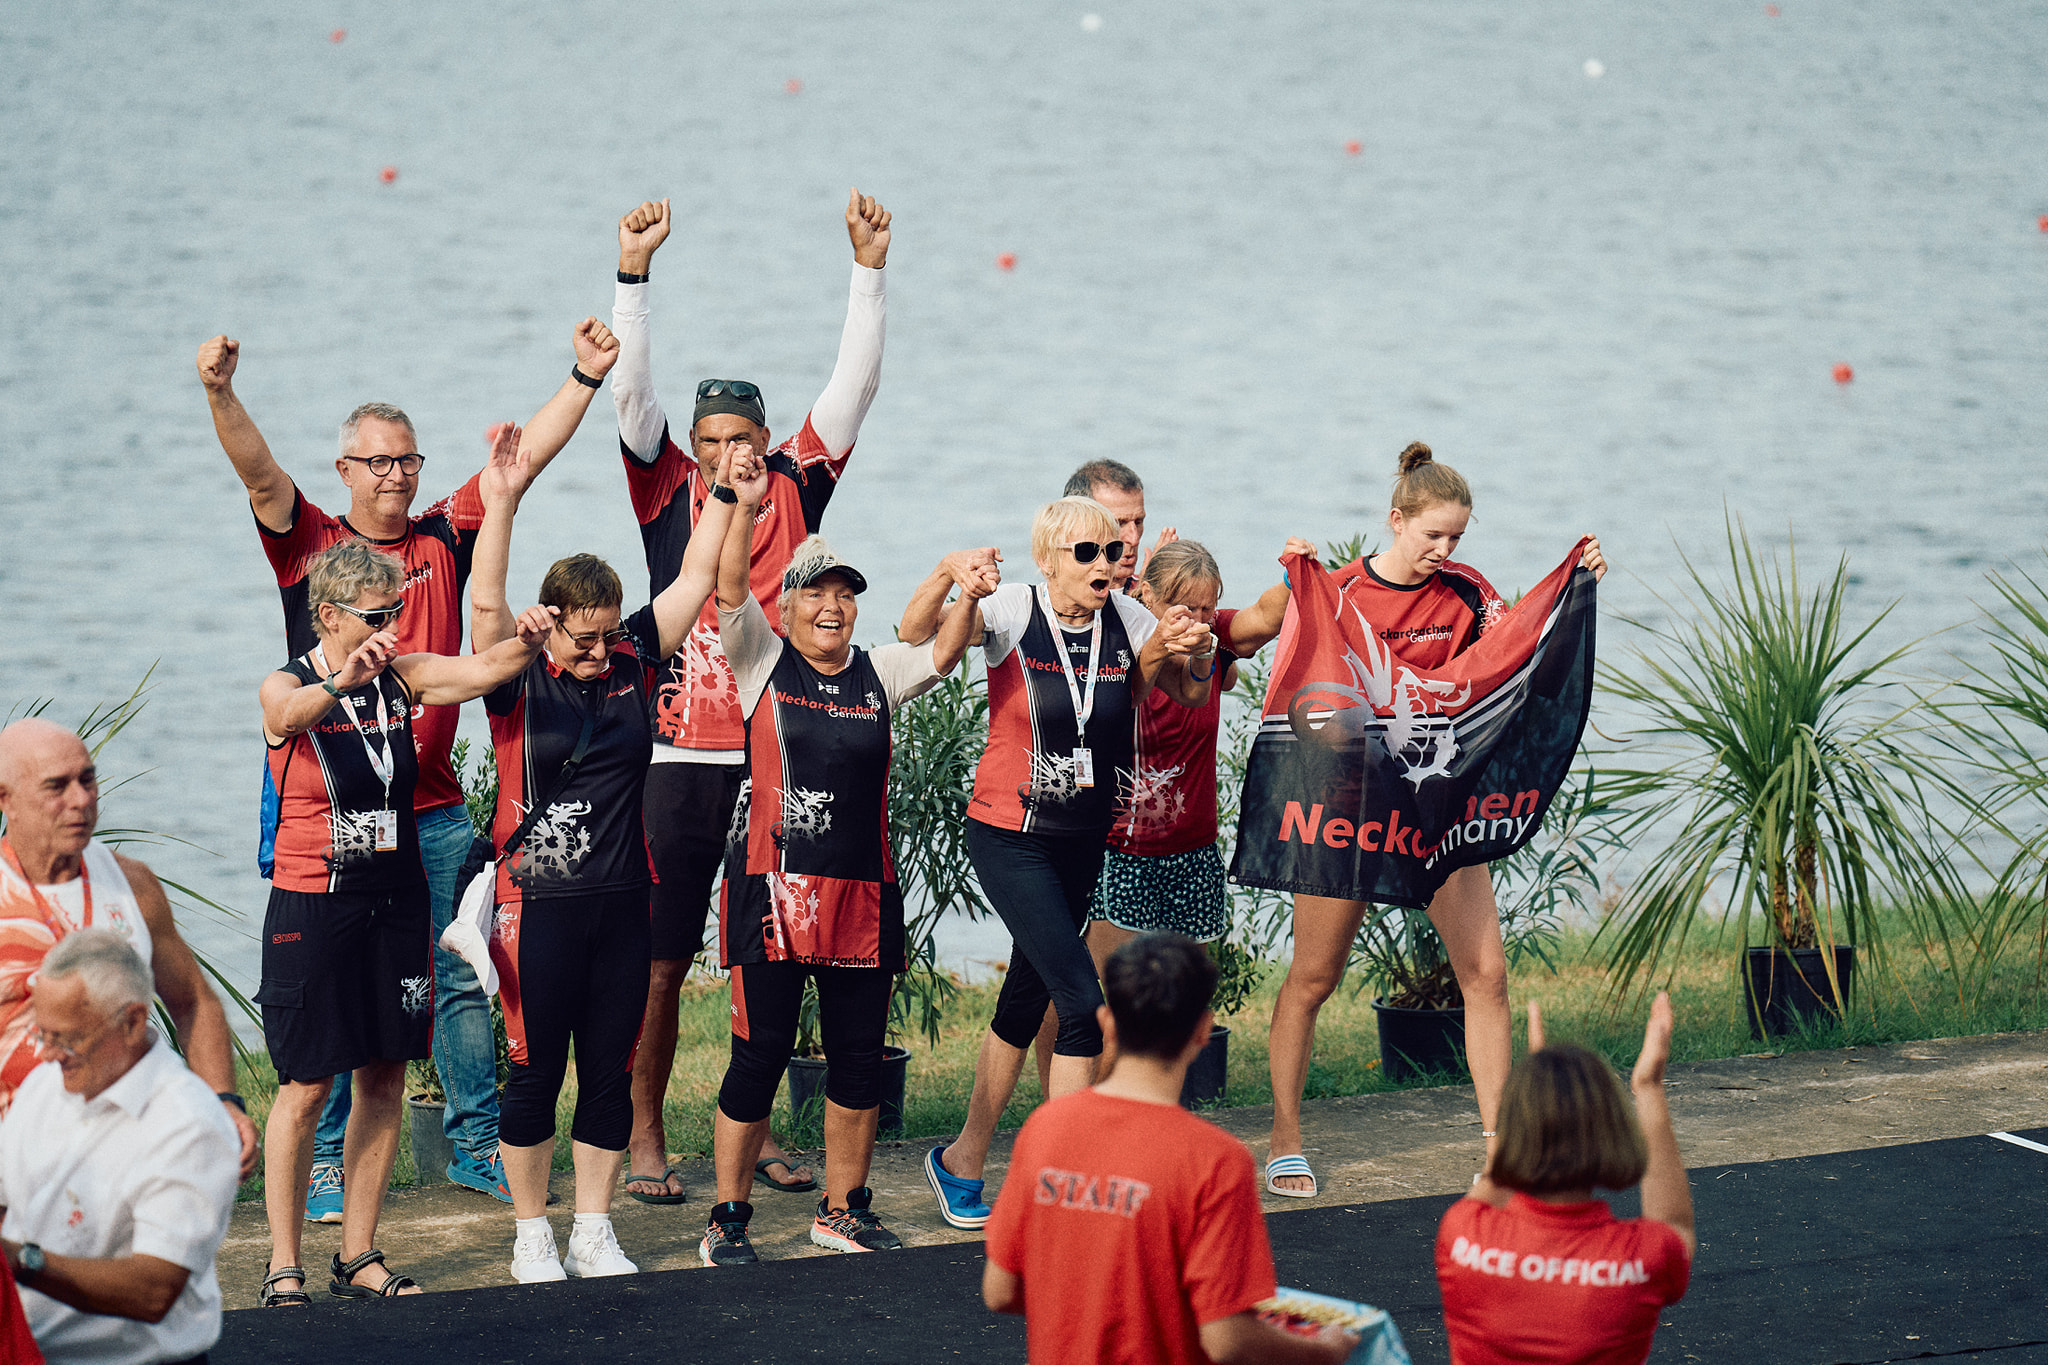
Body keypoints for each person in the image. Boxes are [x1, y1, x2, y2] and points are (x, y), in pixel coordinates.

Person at [197, 320, 620, 1216]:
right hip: (331, 811)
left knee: (462, 972)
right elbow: (259, 474)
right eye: (378, 462)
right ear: (348, 470)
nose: (396, 475)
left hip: (429, 806)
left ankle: (473, 1144)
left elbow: (518, 465)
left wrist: (586, 372)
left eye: (408, 460)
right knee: (336, 990)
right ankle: (321, 1162)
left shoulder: (439, 536)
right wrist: (221, 392)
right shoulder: (309, 540)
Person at [608, 191, 891, 1202]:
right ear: (697, 445)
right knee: (660, 960)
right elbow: (630, 403)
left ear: (767, 440)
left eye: (747, 437)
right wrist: (632, 278)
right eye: (715, 437)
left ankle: (754, 1131)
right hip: (680, 759)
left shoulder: (798, 485)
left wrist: (867, 270)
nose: (734, 451)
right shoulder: (663, 489)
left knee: (763, 962)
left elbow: (850, 391)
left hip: (776, 758)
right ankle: (645, 1137)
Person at [1264, 443, 1606, 1198]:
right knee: (1313, 976)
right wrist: (1297, 575)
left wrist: (1572, 590)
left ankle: (1500, 1144)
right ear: (1396, 520)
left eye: (1456, 537)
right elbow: (1297, 681)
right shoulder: (1342, 588)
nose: (1444, 551)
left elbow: (1520, 649)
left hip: (1436, 804)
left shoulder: (1466, 590)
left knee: (1485, 974)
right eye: (1432, 536)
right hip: (1350, 811)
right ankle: (1285, 1137)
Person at [468, 437, 753, 1284]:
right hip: (538, 906)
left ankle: (592, 1228)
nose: (596, 654)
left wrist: (729, 494)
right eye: (581, 641)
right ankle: (532, 1233)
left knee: (608, 1070)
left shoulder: (634, 653)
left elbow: (697, 578)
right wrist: (504, 498)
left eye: (603, 637)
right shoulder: (516, 670)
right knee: (533, 1071)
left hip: (625, 897)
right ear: (550, 622)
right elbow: (486, 597)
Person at [698, 465, 984, 1267]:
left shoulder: (880, 672)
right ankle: (727, 1216)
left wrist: (964, 585)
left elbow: (946, 650)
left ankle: (842, 1208)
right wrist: (747, 506)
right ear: (784, 608)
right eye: (816, 594)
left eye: (845, 594)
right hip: (772, 895)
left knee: (858, 1058)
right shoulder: (758, 658)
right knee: (758, 1056)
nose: (832, 607)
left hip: (863, 894)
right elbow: (726, 586)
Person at [257, 539, 553, 1304]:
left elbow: (483, 670)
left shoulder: (402, 676)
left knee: (385, 1072)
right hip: (314, 903)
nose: (391, 627)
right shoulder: (287, 681)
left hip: (395, 898)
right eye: (375, 615)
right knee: (306, 1084)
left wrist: (529, 634)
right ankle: (282, 1262)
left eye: (396, 612)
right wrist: (337, 680)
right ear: (327, 615)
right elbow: (285, 717)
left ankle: (358, 1255)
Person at [919, 496, 1212, 1231]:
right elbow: (923, 638)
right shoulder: (1014, 608)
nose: (1103, 566)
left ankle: (960, 1160)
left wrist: (1197, 645)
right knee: (1084, 1005)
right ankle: (1066, 1192)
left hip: (1082, 839)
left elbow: (1187, 688)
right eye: (1085, 553)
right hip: (1009, 834)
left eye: (1112, 552)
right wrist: (954, 581)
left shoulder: (1128, 619)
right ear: (1048, 558)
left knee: (1023, 1002)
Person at [982, 933, 1355, 1365]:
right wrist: (1322, 1352)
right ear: (1202, 1030)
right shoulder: (1215, 1160)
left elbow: (1000, 1290)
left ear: (1107, 1023)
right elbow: (1226, 1338)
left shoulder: (1045, 1128)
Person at [0, 719, 259, 1174]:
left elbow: (194, 1001)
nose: (80, 800)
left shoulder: (131, 885)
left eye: (87, 779)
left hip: (128, 1159)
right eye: (56, 787)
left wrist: (223, 1102)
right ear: (7, 800)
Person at [1, 929, 240, 1365]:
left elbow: (153, 1291)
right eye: (43, 1034)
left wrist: (18, 1261)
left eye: (66, 1038)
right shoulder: (45, 1086)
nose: (47, 1054)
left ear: (132, 1022)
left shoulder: (188, 1124)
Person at [1436, 994, 1694, 1365]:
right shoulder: (1643, 1257)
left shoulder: (1462, 1232)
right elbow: (1674, 1226)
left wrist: (1533, 1101)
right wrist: (1648, 1086)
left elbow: (1500, 1173)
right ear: (1612, 1131)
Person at [1087, 539, 1299, 967]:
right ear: (1146, 593)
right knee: (1108, 996)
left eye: (1207, 608)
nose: (1196, 620)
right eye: (1183, 606)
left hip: (1194, 849)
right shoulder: (1115, 639)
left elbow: (1264, 617)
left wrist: (1293, 572)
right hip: (1120, 848)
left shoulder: (1212, 636)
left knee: (1184, 1000)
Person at [1062, 459, 1147, 593]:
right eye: (1118, 524)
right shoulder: (1033, 605)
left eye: (1138, 522)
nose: (1134, 539)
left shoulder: (1155, 595)